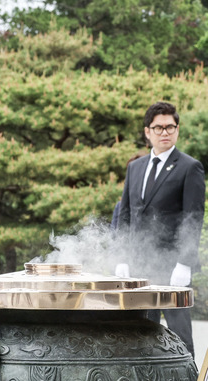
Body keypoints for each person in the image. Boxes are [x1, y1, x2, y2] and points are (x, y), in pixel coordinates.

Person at [117, 101, 205, 359]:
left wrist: (184, 263)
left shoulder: (190, 167)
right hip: (139, 264)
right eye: (159, 127)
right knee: (141, 329)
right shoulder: (135, 167)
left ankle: (188, 374)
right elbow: (125, 215)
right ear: (148, 132)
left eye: (170, 127)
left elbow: (193, 217)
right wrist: (121, 257)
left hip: (172, 264)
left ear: (177, 130)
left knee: (179, 333)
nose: (165, 132)